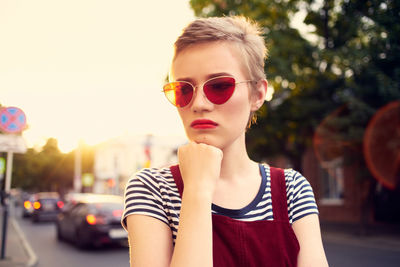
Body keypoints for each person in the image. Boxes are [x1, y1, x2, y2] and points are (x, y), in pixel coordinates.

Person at [122, 16, 329, 267]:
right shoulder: (152, 189)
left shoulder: (292, 190)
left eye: (219, 86)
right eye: (184, 89)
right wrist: (198, 189)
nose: (198, 104)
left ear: (258, 94)